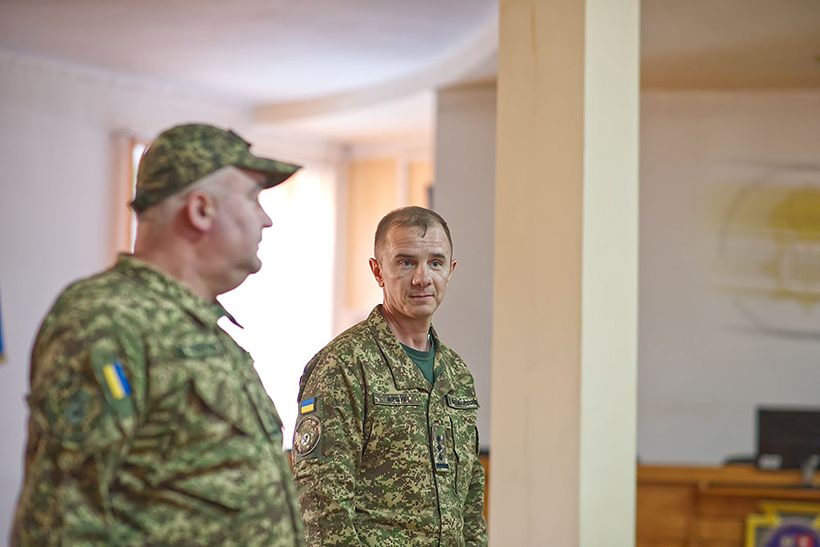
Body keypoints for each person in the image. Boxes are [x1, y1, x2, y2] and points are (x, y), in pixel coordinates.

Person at [12, 124, 306, 547]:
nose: (266, 218)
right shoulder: (108, 318)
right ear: (201, 210)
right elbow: (60, 522)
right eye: (252, 198)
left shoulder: (202, 328)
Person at [292, 206, 487, 546]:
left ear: (450, 271)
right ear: (378, 271)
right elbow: (322, 505)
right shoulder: (344, 365)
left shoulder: (456, 373)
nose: (422, 278)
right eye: (406, 262)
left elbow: (470, 501)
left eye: (435, 263)